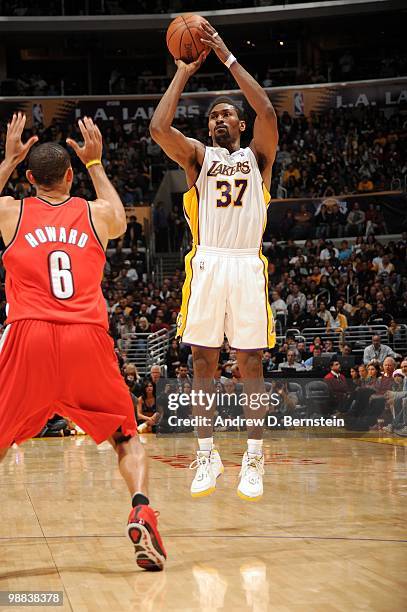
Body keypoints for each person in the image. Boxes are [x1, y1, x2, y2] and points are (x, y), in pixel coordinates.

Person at [0, 113, 166, 570]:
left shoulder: (11, 211)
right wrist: (96, 164)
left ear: (30, 179)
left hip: (29, 334)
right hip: (85, 337)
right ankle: (140, 507)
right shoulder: (95, 213)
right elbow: (118, 215)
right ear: (70, 176)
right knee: (126, 437)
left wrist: (8, 160)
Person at [150, 21, 278, 501]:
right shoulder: (199, 159)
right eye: (213, 118)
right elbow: (159, 128)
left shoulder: (258, 157)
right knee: (201, 362)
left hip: (246, 264)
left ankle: (254, 458)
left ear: (240, 125)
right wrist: (183, 73)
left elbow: (266, 108)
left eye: (226, 115)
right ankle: (206, 454)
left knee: (251, 365)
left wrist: (225, 56)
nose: (219, 121)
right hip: (207, 264)